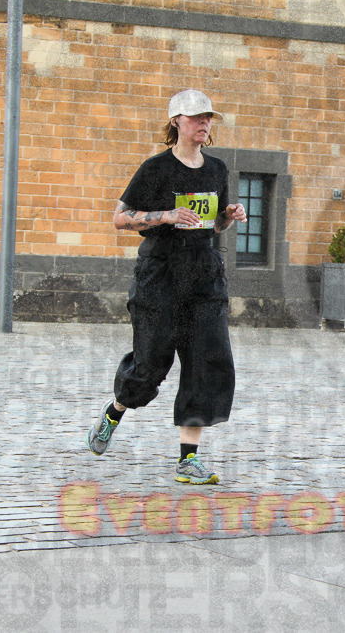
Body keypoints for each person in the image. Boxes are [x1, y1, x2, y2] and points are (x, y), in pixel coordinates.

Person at [88, 89, 247, 484]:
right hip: (160, 273)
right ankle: (114, 412)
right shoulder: (155, 169)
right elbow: (120, 219)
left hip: (204, 274)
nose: (204, 123)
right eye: (195, 117)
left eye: (208, 117)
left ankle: (187, 459)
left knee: (207, 362)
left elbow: (214, 224)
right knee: (150, 364)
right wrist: (165, 215)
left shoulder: (216, 169)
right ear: (176, 121)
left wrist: (229, 216)